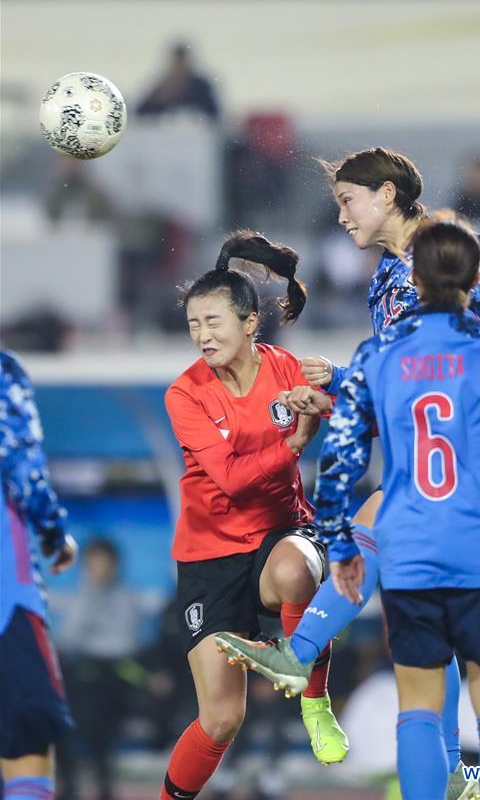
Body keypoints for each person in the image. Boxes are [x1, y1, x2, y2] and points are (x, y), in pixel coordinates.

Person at [212, 147, 480, 800]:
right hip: (469, 516)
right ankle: (453, 780)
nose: (341, 216)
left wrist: (352, 385)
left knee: (380, 543)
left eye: (347, 201)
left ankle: (301, 653)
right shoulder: (391, 275)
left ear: (386, 195)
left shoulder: (444, 254)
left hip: (443, 478)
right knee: (475, 693)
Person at [160, 231, 348, 800]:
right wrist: (295, 445)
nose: (202, 335)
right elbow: (232, 479)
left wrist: (330, 396)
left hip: (279, 530)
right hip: (208, 554)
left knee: (297, 571)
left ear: (249, 324)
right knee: (221, 720)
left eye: (213, 322)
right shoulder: (184, 395)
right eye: (194, 324)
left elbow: (344, 415)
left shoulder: (285, 366)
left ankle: (313, 701)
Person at [0, 350, 77, 800]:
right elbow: (22, 468)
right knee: (26, 737)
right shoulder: (3, 372)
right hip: (5, 592)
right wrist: (54, 534)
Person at [56, 538, 141, 800]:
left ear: (115, 565)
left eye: (103, 563)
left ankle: (103, 784)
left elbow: (124, 643)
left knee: (95, 719)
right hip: (80, 670)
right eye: (92, 563)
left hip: (111, 674)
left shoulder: (125, 598)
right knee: (58, 713)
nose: (98, 569)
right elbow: (67, 636)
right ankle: (68, 782)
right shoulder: (80, 595)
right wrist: (91, 593)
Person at [137, 43, 220, 121]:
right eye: (176, 64)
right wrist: (159, 102)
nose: (179, 69)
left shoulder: (201, 87)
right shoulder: (163, 87)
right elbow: (140, 113)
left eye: (182, 64)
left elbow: (213, 114)